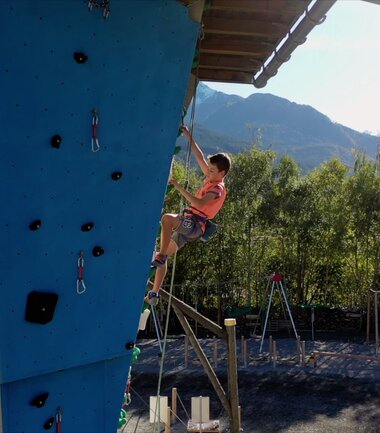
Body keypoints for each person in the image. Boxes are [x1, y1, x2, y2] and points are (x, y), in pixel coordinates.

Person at [145, 124, 231, 305]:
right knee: (166, 253)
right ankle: (154, 293)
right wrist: (186, 133)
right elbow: (199, 155)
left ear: (222, 173)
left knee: (167, 219)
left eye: (212, 170)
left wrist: (177, 186)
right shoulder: (210, 177)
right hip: (189, 225)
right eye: (209, 168)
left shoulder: (217, 188)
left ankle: (160, 257)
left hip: (194, 226)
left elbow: (198, 203)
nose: (208, 171)